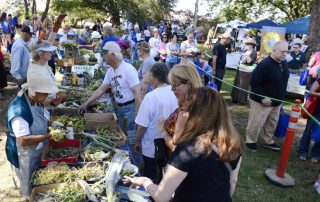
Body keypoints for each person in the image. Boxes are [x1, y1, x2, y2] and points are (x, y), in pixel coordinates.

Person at [124, 87, 243, 202]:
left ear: (194, 114)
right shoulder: (233, 142)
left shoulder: (187, 150)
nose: (181, 112)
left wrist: (146, 181)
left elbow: (162, 197)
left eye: (183, 108)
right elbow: (232, 181)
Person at [78, 42, 142, 163]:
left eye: (104, 54)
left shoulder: (128, 69)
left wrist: (138, 113)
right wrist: (86, 103)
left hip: (131, 108)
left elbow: (137, 92)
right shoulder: (110, 71)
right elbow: (101, 90)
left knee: (132, 140)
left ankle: (138, 166)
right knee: (124, 139)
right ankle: (129, 163)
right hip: (121, 109)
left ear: (112, 55)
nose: (103, 57)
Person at [5, 71, 59, 201]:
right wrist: (49, 135)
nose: (46, 96)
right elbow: (23, 140)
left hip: (37, 149)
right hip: (23, 153)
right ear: (33, 91)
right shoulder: (19, 110)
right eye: (44, 92)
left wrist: (53, 123)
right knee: (28, 184)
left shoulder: (35, 100)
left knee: (37, 178)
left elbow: (42, 116)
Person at [135, 62, 178, 182]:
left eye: (149, 75)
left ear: (155, 77)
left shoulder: (151, 96)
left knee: (150, 176)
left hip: (151, 145)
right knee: (167, 176)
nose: (147, 77)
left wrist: (137, 141)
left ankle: (152, 196)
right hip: (171, 144)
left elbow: (142, 126)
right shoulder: (176, 92)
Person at [245, 41, 290, 152]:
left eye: (286, 52)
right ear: (274, 50)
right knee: (256, 122)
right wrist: (262, 97)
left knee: (272, 123)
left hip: (276, 101)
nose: (284, 54)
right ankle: (250, 140)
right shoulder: (265, 64)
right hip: (262, 101)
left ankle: (267, 141)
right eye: (282, 52)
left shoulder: (283, 63)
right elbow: (254, 82)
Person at [159, 63, 203, 152]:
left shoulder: (185, 113)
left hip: (178, 163)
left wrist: (162, 129)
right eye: (171, 86)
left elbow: (176, 148)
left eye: (175, 86)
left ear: (189, 84)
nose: (172, 90)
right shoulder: (203, 103)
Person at [298, 77, 320, 163]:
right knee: (308, 131)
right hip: (316, 110)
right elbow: (310, 92)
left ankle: (315, 154)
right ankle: (302, 151)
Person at [231, 38, 257, 104]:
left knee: (243, 86)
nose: (248, 45)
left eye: (250, 44)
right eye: (247, 44)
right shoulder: (245, 50)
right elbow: (241, 59)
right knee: (237, 83)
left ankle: (241, 100)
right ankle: (234, 98)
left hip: (246, 72)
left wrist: (247, 55)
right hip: (240, 70)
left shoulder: (254, 52)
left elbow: (250, 62)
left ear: (252, 45)